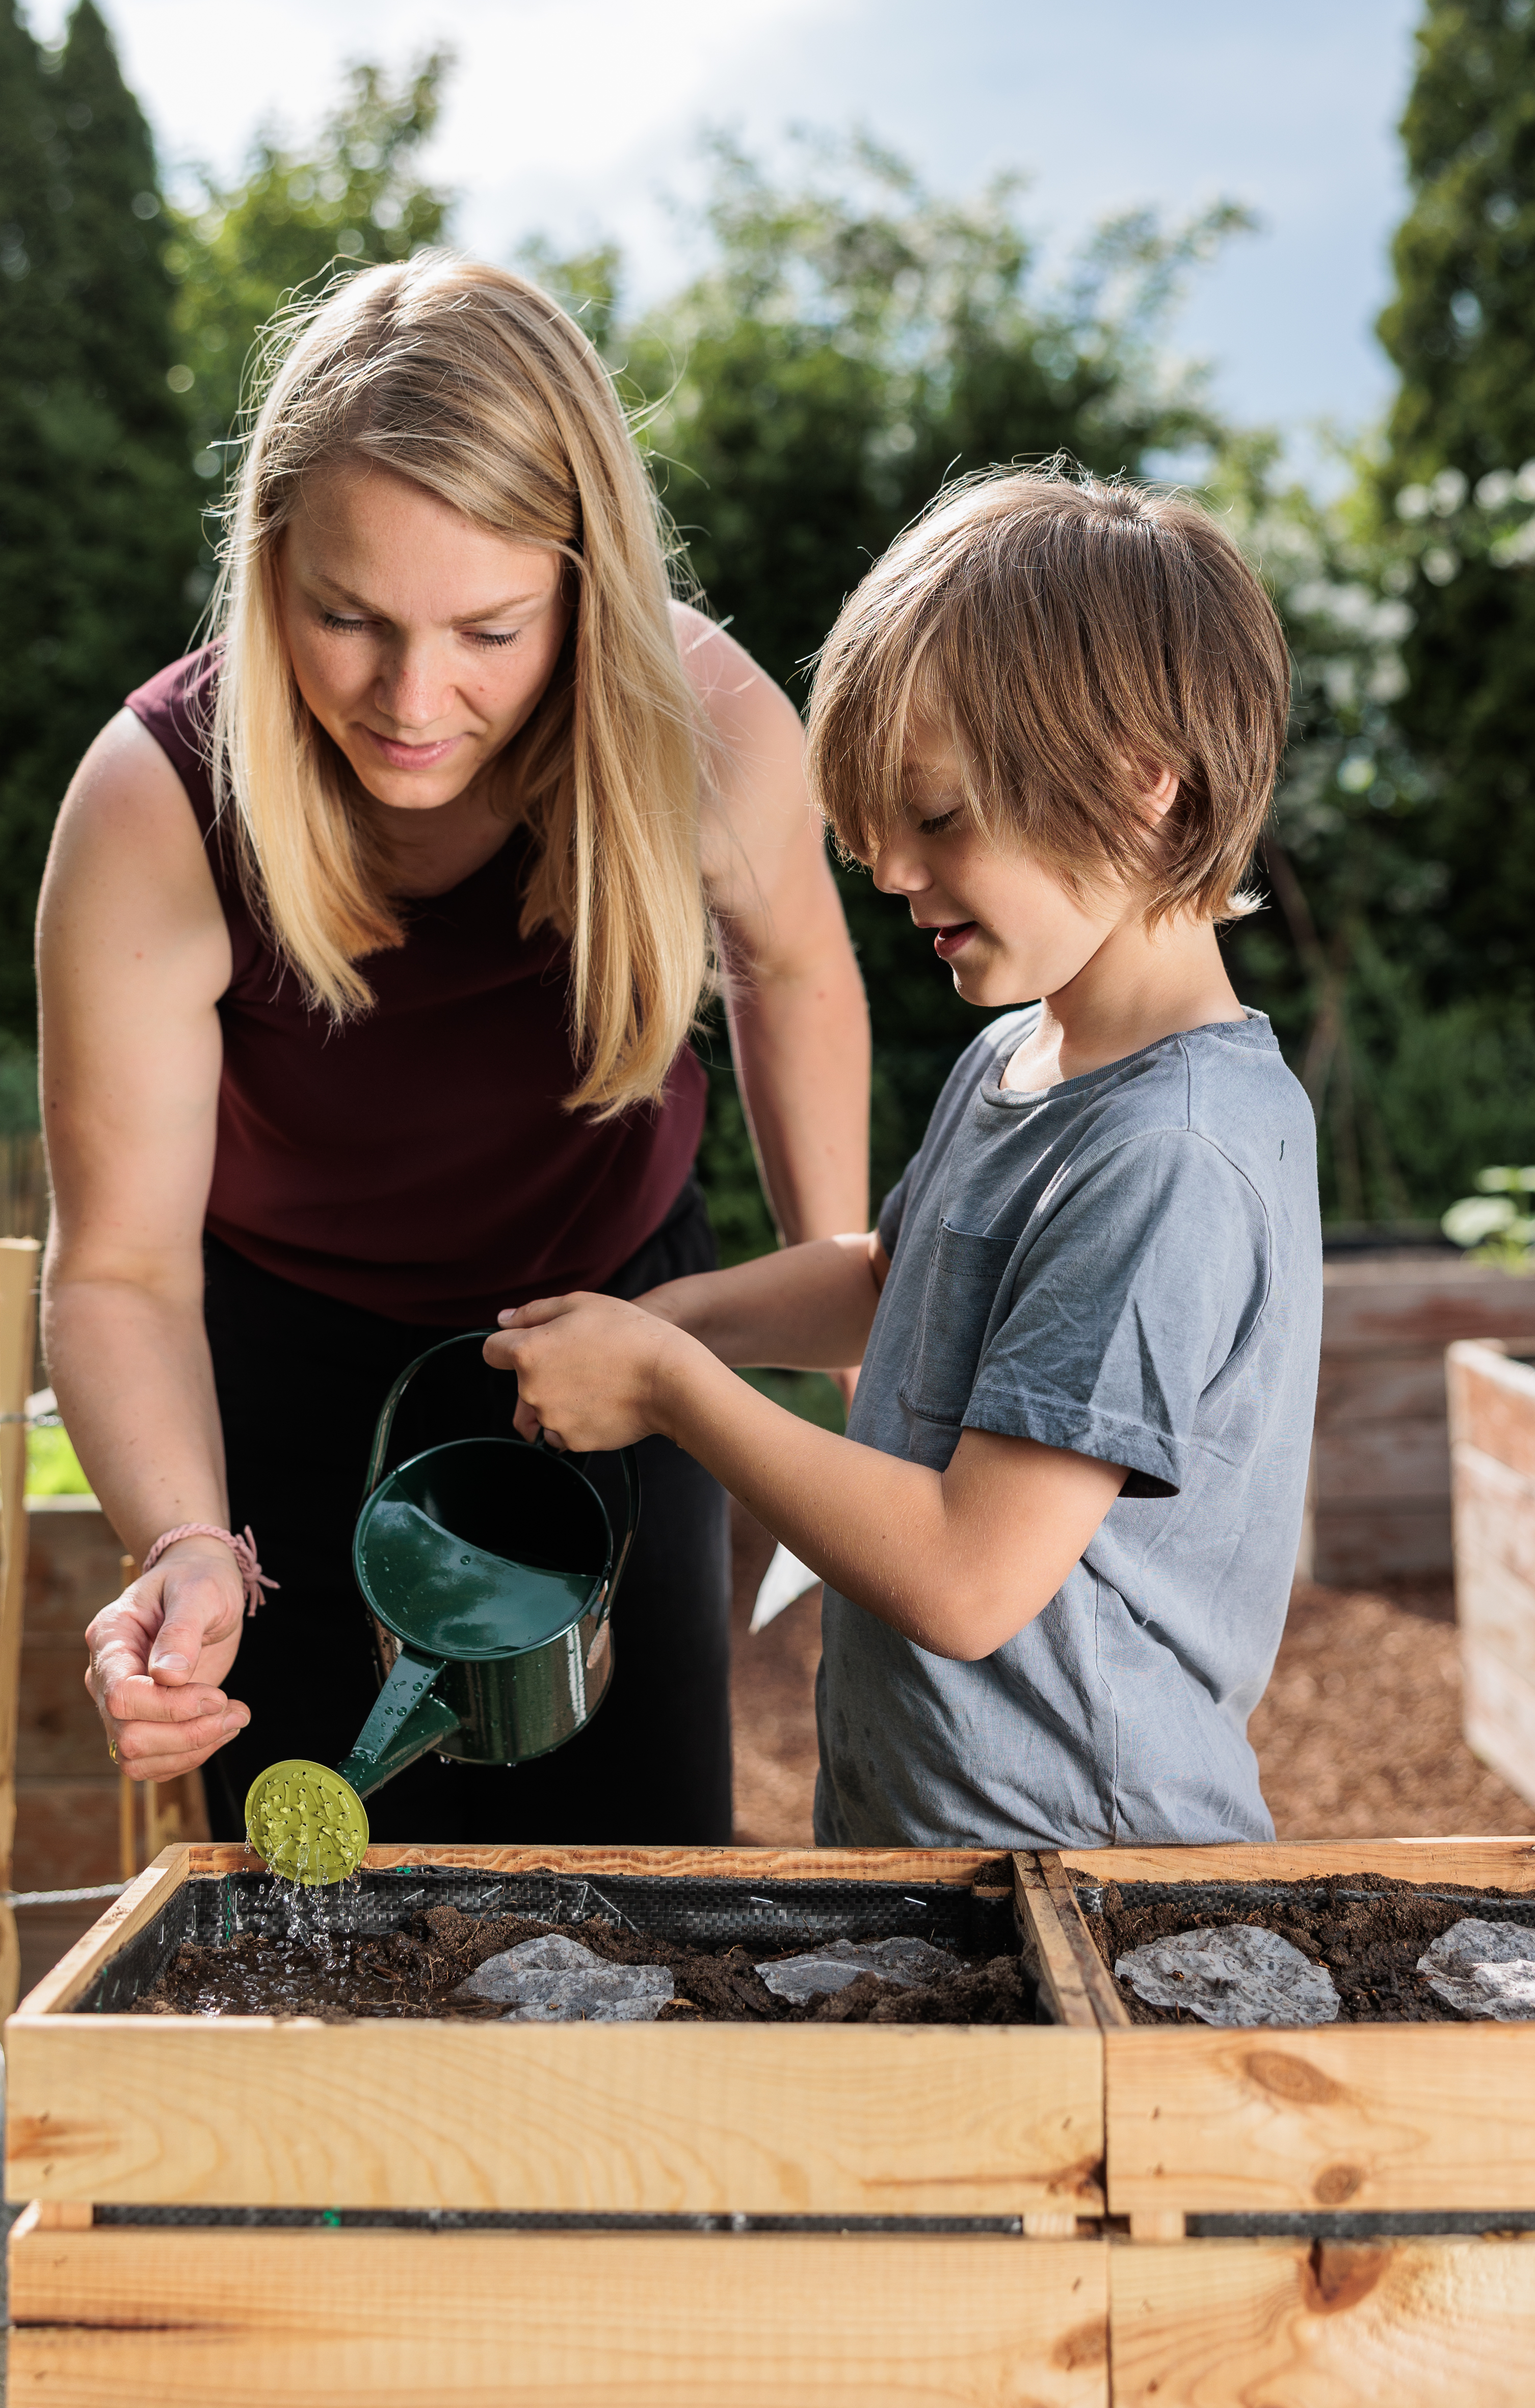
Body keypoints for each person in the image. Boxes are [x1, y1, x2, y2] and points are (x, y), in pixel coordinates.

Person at [45, 252, 869, 1848]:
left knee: (647, 1885)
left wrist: (836, 1323)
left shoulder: (707, 726)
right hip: (284, 1380)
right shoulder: (155, 803)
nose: (412, 699)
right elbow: (120, 1269)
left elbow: (793, 976)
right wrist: (184, 1541)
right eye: (346, 617)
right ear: (267, 565)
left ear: (585, 586)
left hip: (623, 1333)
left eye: (489, 628)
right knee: (318, 1904)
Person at [485, 465, 1324, 1849]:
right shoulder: (1020, 1058)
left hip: (1087, 1876)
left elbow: (965, 1576)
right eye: (876, 823)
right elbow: (898, 1282)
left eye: (937, 816)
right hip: (939, 1852)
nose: (885, 869)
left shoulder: (1168, 1155)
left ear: (1142, 792)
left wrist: (673, 1390)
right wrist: (670, 1319)